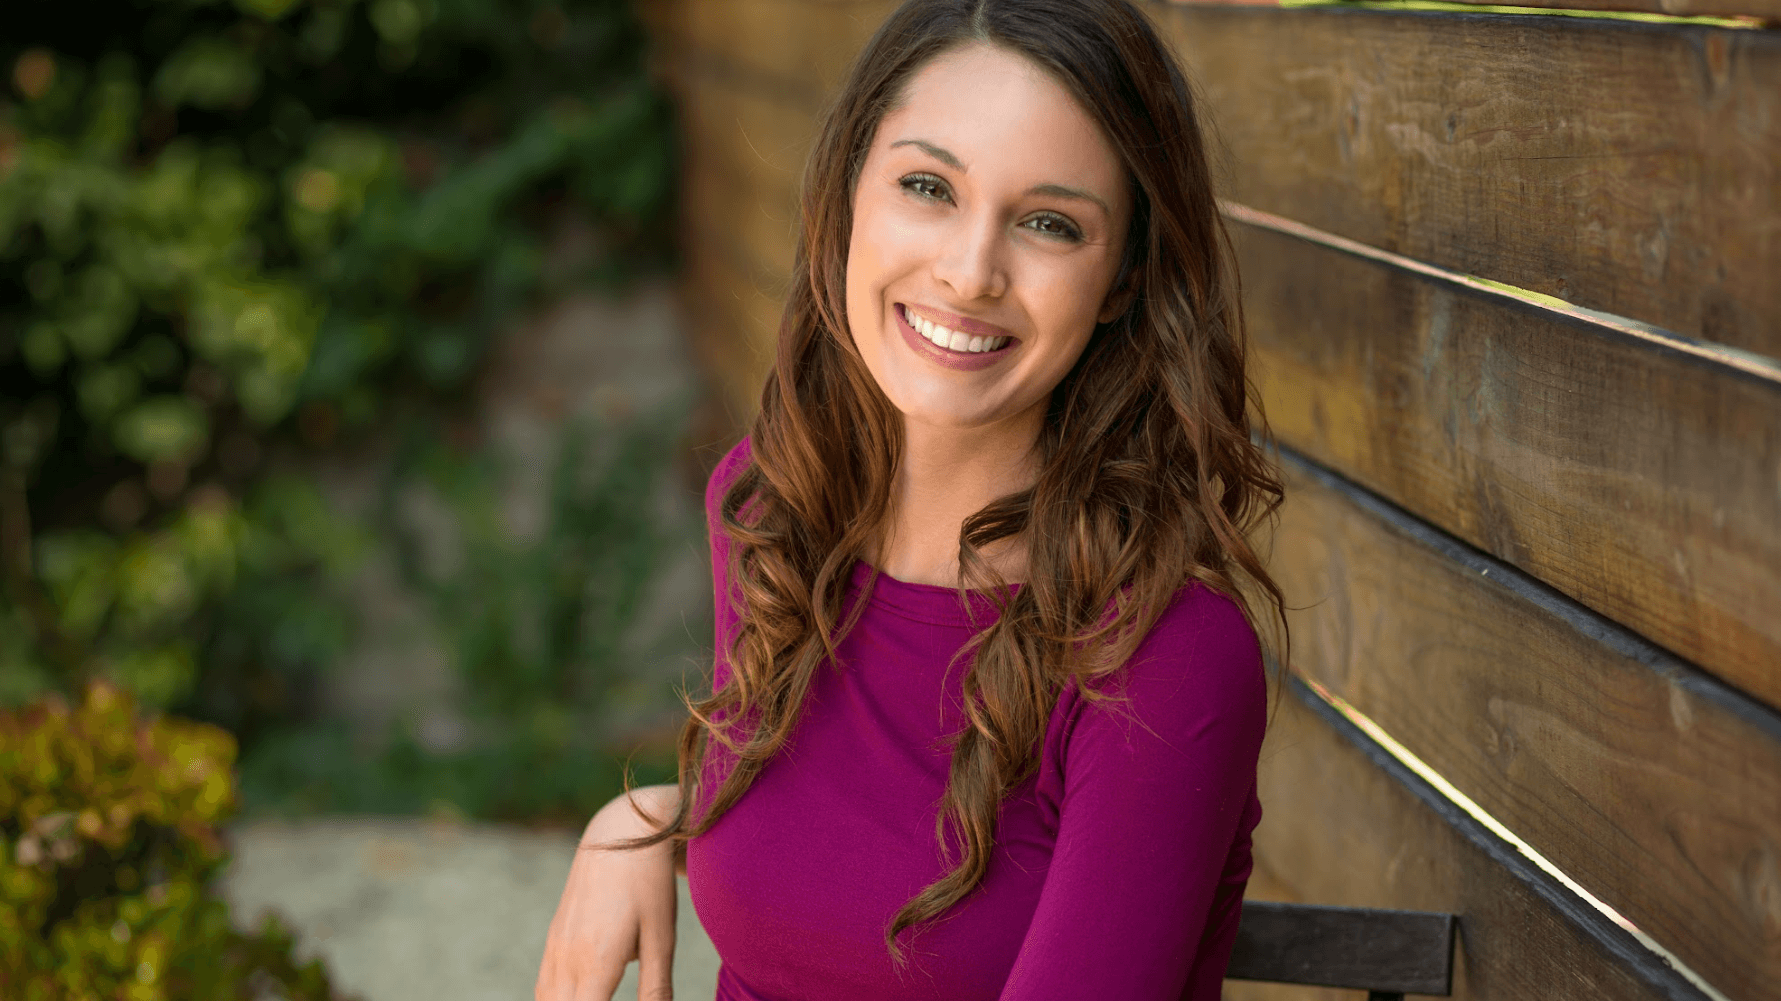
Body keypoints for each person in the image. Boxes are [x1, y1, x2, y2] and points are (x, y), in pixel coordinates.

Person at [536, 0, 1288, 997]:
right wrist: (643, 819)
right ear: (848, 193)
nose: (969, 273)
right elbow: (836, 842)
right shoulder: (774, 511)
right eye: (928, 187)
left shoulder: (1161, 652)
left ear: (1119, 279)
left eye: (1049, 223)